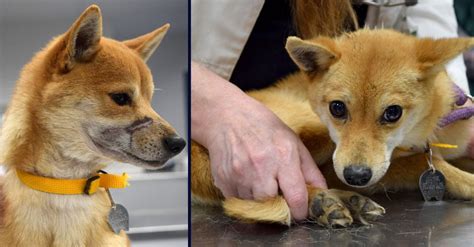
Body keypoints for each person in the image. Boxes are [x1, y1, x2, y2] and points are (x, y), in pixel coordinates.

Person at [191, 0, 474, 221]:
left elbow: (426, 22)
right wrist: (209, 103)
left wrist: (453, 104)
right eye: (339, 111)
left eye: (391, 114)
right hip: (211, 98)